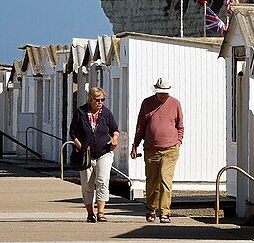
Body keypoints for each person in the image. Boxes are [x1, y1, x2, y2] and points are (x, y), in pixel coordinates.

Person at [130, 77, 183, 223]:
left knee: (166, 180)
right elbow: (140, 126)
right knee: (152, 181)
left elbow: (180, 125)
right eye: (160, 92)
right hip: (151, 149)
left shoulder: (175, 103)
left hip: (170, 149)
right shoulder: (147, 103)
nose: (163, 95)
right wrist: (135, 145)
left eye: (165, 93)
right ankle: (151, 208)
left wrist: (178, 141)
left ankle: (165, 212)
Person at [68, 87, 120, 223]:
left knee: (103, 181)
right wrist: (81, 147)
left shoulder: (106, 113)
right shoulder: (81, 112)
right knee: (87, 185)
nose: (100, 102)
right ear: (91, 99)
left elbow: (115, 129)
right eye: (97, 100)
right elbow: (72, 133)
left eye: (103, 100)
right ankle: (90, 213)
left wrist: (115, 138)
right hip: (86, 155)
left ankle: (101, 212)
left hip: (104, 152)